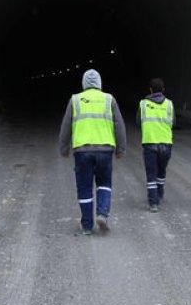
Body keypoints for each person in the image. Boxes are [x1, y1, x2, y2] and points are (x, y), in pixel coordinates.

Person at [58, 69, 127, 235]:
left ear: (84, 83)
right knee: (104, 183)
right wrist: (121, 149)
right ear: (99, 83)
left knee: (84, 187)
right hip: (105, 150)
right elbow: (119, 125)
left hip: (82, 151)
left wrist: (63, 148)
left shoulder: (75, 100)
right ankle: (102, 214)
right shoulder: (109, 99)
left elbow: (66, 126)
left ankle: (87, 226)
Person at [136, 78, 174, 212]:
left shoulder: (143, 104)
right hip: (166, 143)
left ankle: (153, 203)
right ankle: (160, 192)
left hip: (150, 142)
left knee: (151, 173)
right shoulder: (169, 104)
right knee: (161, 170)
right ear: (163, 90)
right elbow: (173, 122)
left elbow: (138, 122)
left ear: (150, 90)